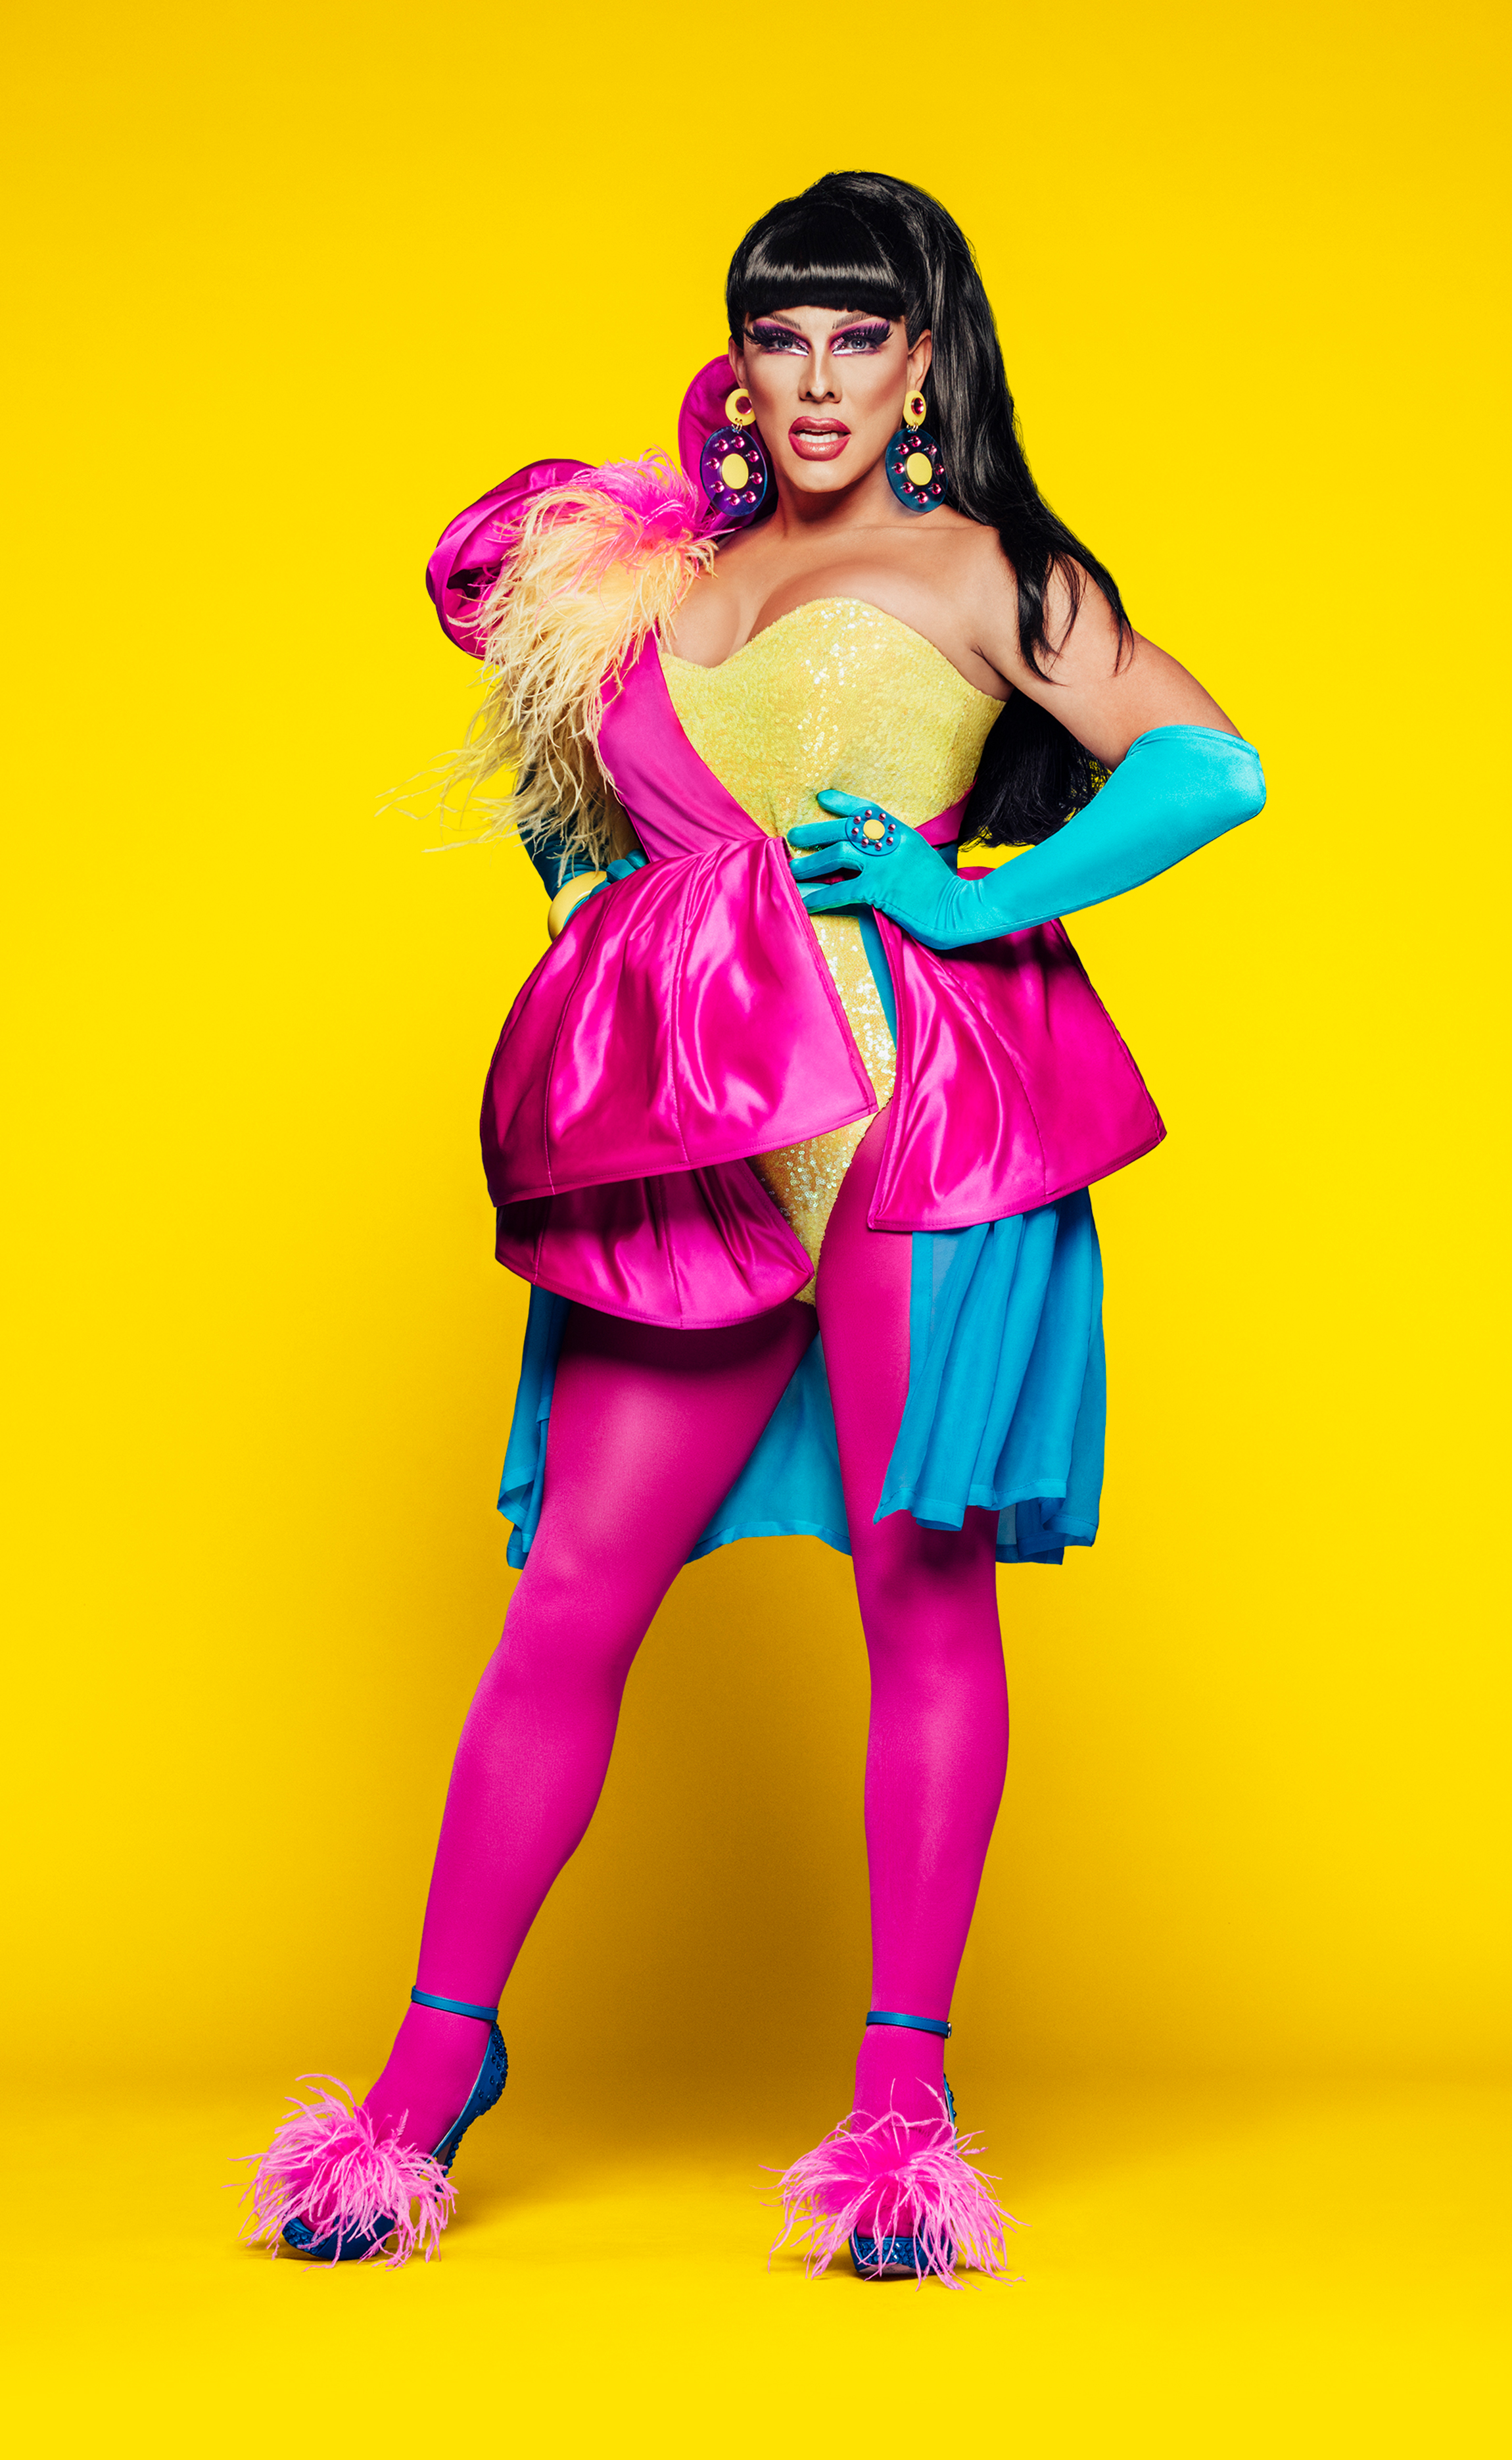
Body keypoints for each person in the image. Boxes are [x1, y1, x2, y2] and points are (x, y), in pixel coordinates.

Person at [247, 170, 1264, 2280]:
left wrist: (971, 899)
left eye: (856, 338)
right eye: (778, 335)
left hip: (911, 1127)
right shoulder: (640, 577)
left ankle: (900, 2113)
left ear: (921, 363)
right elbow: (566, 821)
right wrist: (610, 951)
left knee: (918, 1588)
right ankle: (426, 2078)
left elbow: (1208, 771)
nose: (814, 378)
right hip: (691, 1136)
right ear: (740, 358)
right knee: (573, 1590)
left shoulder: (985, 568)